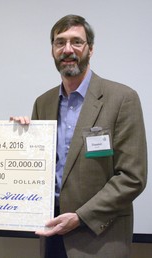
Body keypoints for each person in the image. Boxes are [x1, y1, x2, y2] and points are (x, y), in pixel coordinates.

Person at [11, 15, 147, 258]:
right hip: (52, 233)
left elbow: (132, 177)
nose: (67, 50)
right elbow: (39, 170)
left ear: (90, 49)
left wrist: (81, 217)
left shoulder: (122, 99)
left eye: (76, 42)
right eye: (59, 42)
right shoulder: (43, 103)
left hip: (100, 239)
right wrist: (19, 140)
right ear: (52, 50)